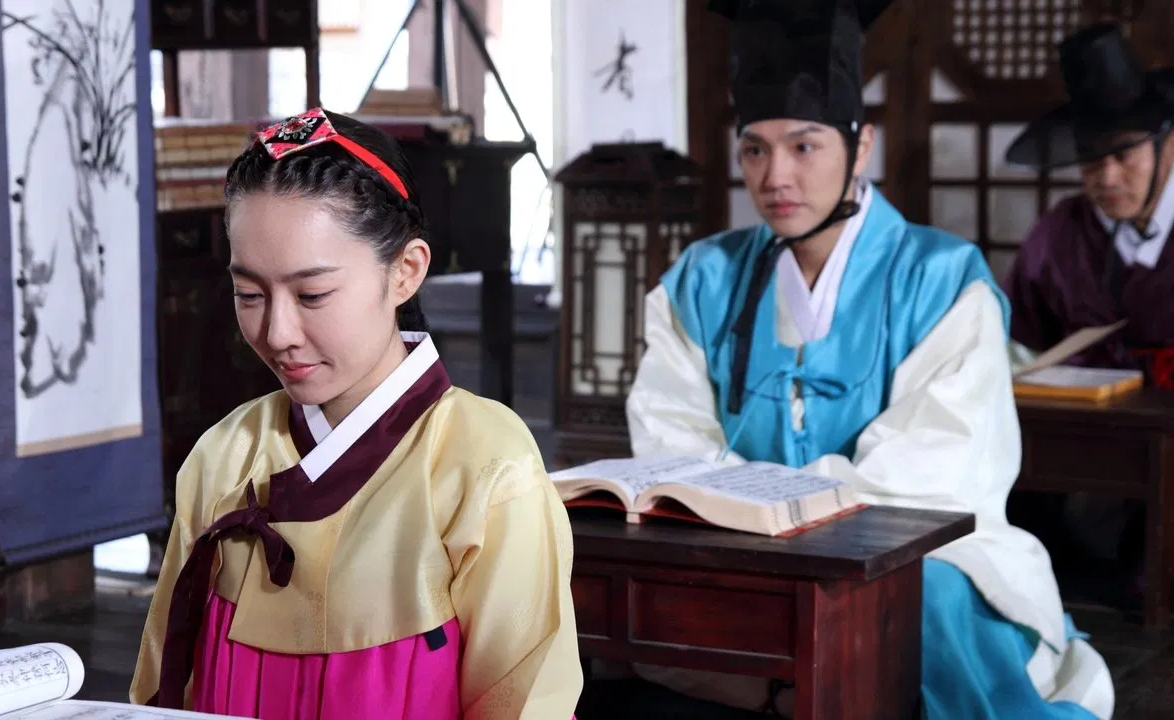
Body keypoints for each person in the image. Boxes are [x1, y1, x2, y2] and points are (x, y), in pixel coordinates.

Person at [617, 1, 1115, 718]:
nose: (775, 176)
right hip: (735, 546)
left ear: (862, 146)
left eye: (804, 146)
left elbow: (936, 472)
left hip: (917, 549)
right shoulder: (702, 279)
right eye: (754, 149)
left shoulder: (942, 281)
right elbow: (668, 436)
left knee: (919, 604)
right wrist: (745, 515)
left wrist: (767, 500)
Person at [129, 107, 582, 718]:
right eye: (249, 294)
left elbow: (526, 705)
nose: (277, 333)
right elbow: (161, 691)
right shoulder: (223, 454)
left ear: (405, 271)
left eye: (312, 294)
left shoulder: (485, 465)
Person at [1003, 23, 1174, 387]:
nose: (1107, 177)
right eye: (1091, 158)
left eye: (1124, 155)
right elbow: (1014, 342)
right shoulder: (1058, 232)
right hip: (1076, 417)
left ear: (1169, 144)